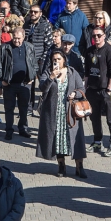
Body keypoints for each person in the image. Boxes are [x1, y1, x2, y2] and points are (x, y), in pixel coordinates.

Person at [36, 49, 87, 178]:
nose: (56, 61)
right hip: (54, 113)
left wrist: (75, 94)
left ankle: (79, 166)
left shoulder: (72, 72)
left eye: (59, 59)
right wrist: (51, 77)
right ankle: (61, 166)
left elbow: (82, 88)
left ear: (64, 59)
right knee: (58, 140)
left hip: (70, 113)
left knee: (76, 139)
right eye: (54, 59)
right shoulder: (48, 72)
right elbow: (42, 88)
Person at [83, 25, 111, 157]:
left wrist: (109, 90)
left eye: (99, 35)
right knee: (94, 118)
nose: (96, 38)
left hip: (105, 90)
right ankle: (97, 141)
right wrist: (84, 89)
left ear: (104, 36)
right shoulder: (89, 51)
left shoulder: (110, 52)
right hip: (92, 90)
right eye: (94, 36)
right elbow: (86, 72)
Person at [0, 27, 37, 141]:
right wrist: (2, 79)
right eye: (14, 38)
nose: (16, 41)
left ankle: (23, 129)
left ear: (24, 37)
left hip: (25, 84)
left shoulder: (30, 47)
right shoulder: (5, 47)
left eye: (19, 38)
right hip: (9, 84)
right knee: (9, 109)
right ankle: (9, 130)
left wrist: (32, 77)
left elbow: (34, 64)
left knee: (24, 109)